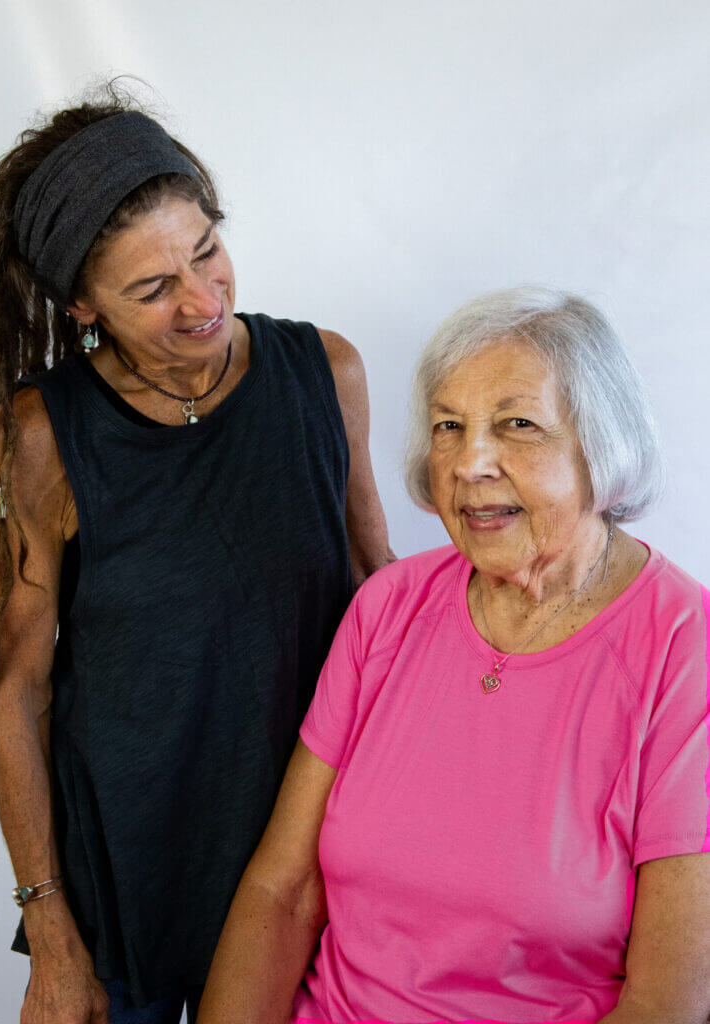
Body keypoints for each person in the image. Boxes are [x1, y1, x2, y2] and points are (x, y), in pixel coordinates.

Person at [0, 87, 394, 1024]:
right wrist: (50, 935)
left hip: (308, 865)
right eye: (153, 288)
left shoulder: (324, 374)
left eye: (206, 251)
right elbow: (17, 690)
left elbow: (383, 604)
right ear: (83, 303)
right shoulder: (46, 434)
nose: (202, 300)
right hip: (127, 885)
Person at [197, 287, 710, 1024]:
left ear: (600, 446)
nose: (469, 463)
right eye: (447, 426)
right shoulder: (387, 607)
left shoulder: (681, 649)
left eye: (516, 425)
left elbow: (667, 1001)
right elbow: (282, 893)